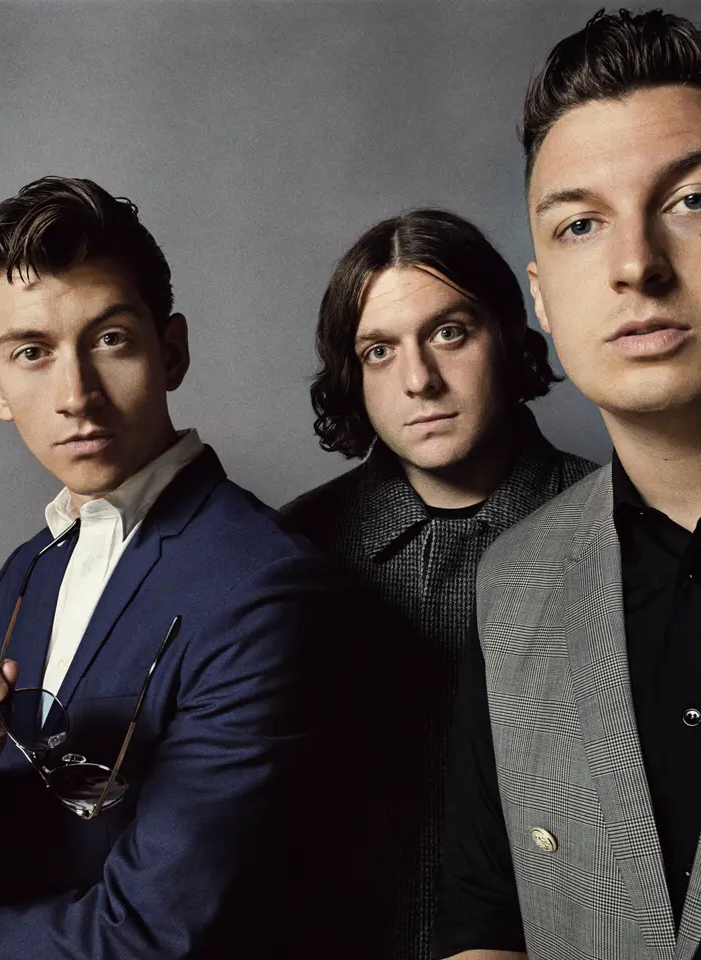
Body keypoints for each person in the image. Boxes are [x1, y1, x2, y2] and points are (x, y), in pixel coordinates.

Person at [0, 177, 346, 960]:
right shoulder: (29, 570)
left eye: (111, 339)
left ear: (174, 349)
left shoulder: (263, 586)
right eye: (33, 352)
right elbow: (3, 839)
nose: (75, 395)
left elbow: (158, 937)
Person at [434, 9, 701, 960]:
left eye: (692, 201)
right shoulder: (515, 583)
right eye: (582, 224)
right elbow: (484, 914)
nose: (636, 266)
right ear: (542, 299)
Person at [281, 209, 595, 958]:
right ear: (351, 376)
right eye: (380, 351)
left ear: (509, 333)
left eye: (449, 332)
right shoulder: (292, 555)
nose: (419, 380)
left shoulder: (615, 534)